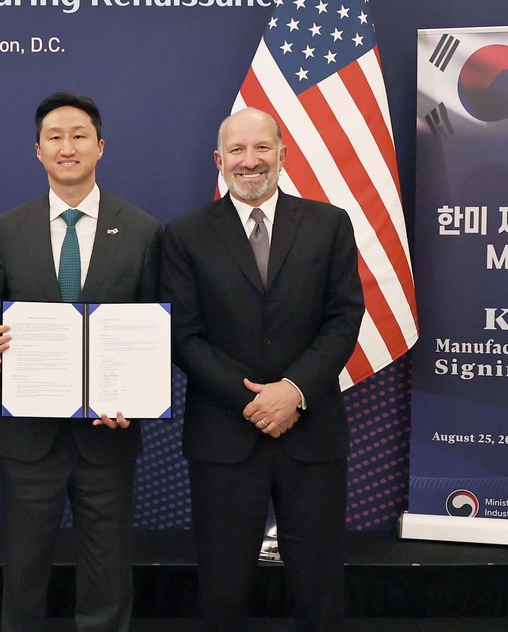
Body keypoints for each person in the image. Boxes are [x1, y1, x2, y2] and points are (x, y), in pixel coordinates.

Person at [160, 107, 363, 632]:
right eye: (237, 151)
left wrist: (293, 391)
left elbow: (344, 319)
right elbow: (184, 334)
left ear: (282, 153)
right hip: (225, 436)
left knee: (320, 588)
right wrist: (254, 400)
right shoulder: (184, 235)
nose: (250, 162)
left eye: (261, 148)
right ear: (219, 160)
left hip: (311, 431)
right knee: (223, 588)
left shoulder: (329, 224)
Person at [0, 92, 161, 632]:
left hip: (108, 437)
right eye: (55, 137)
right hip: (28, 438)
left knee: (107, 577)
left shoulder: (142, 230)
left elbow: (158, 328)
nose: (67, 146)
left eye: (79, 136)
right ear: (37, 151)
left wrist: (138, 397)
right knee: (24, 577)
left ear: (100, 146)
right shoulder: (9, 228)